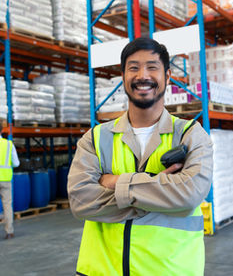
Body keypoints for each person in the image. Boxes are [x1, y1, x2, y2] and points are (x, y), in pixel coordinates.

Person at [68, 37, 213, 276]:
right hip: (101, 271)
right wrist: (158, 193)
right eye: (133, 68)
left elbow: (190, 193)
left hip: (170, 270)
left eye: (152, 67)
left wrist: (115, 182)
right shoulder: (95, 138)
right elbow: (81, 201)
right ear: (123, 77)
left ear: (167, 77)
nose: (142, 75)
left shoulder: (190, 135)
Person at [0, 124, 20, 239]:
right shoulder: (8, 144)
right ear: (2, 130)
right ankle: (9, 232)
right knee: (7, 205)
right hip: (6, 179)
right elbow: (16, 163)